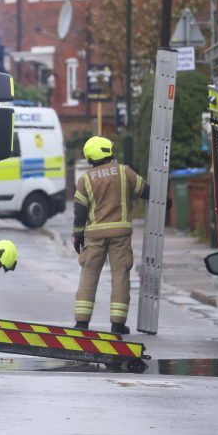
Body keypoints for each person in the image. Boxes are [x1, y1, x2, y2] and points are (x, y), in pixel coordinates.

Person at [72, 136, 150, 335]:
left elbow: (80, 211)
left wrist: (78, 236)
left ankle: (82, 323)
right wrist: (165, 200)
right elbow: (145, 191)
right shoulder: (124, 172)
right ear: (108, 152)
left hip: (94, 236)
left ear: (90, 157)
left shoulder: (85, 180)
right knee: (120, 275)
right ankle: (117, 324)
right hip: (120, 234)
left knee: (89, 275)